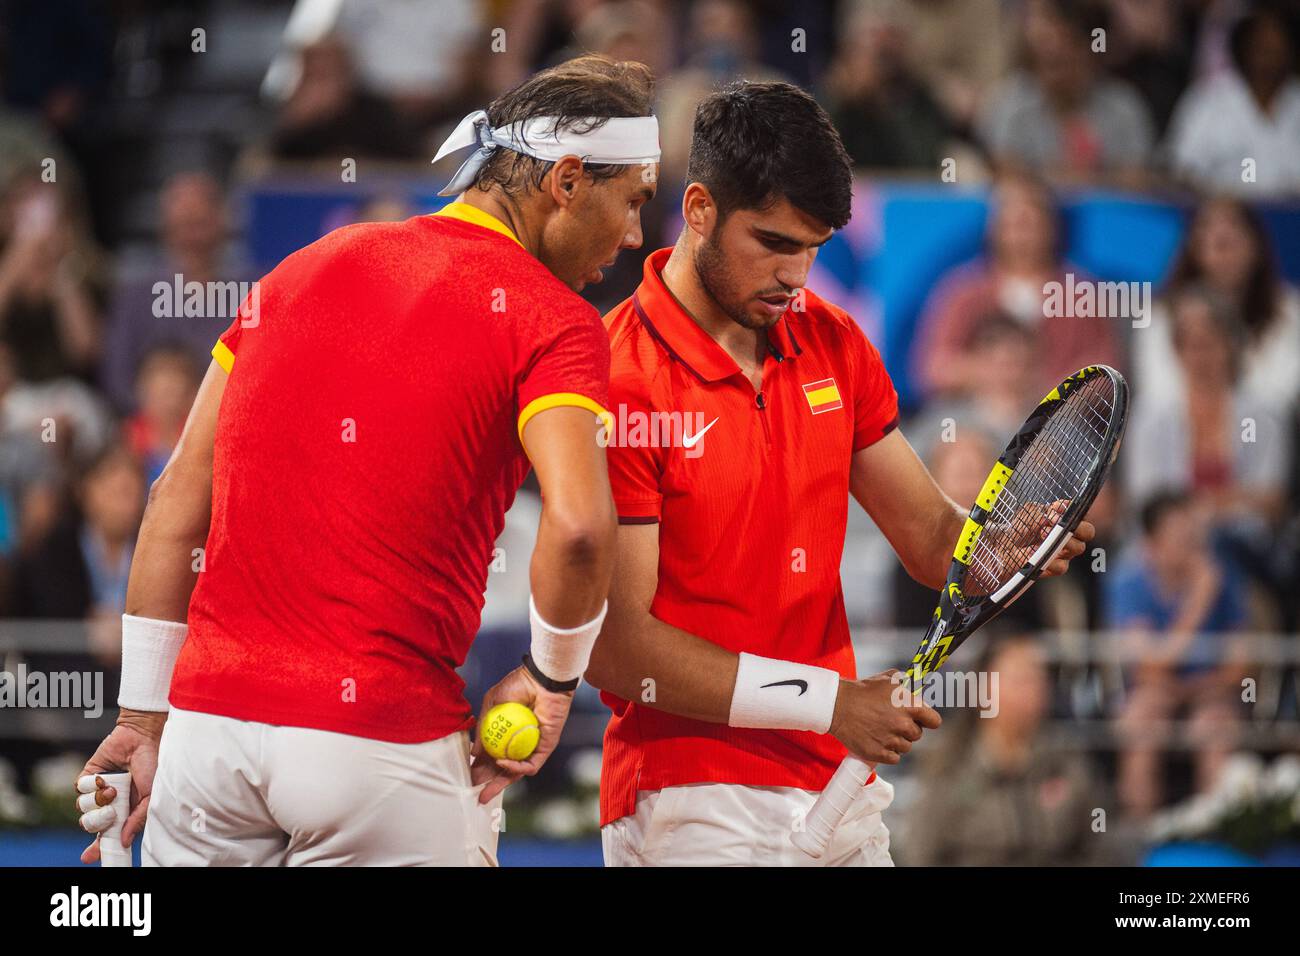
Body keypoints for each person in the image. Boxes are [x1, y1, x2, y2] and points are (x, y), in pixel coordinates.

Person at [75, 55, 660, 867]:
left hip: (207, 748)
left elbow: (175, 495)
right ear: (565, 182)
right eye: (631, 201)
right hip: (375, 749)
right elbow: (582, 530)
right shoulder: (554, 319)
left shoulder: (296, 270)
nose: (633, 235)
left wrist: (141, 719)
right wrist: (552, 681)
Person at [584, 82, 1095, 867]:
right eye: (776, 243)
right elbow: (618, 647)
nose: (797, 274)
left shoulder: (833, 341)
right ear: (697, 210)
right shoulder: (619, 377)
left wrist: (1004, 545)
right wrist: (831, 704)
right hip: (688, 792)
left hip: (839, 788)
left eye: (814, 247)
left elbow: (933, 544)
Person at [902, 633, 1113, 866]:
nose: (1032, 690)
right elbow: (920, 852)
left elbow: (1099, 830)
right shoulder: (949, 766)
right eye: (1018, 679)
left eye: (1037, 679)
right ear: (981, 690)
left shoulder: (1067, 761)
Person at [910, 173, 1122, 401]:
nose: (1021, 236)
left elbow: (1106, 375)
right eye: (1012, 225)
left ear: (1051, 227)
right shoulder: (962, 290)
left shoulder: (1081, 293)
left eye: (1029, 224)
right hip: (975, 418)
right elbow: (932, 369)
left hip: (1059, 423)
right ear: (994, 229)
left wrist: (1049, 393)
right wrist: (993, 374)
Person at [1107, 491, 1249, 817]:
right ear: (1151, 544)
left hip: (1211, 691)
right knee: (1141, 723)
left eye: (1193, 536)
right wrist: (1198, 601)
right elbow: (1148, 665)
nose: (1189, 546)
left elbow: (1240, 665)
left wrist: (1198, 686)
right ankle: (1141, 835)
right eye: (1177, 537)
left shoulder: (1224, 578)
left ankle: (1214, 835)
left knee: (1214, 729)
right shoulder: (1128, 582)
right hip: (1153, 691)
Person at [1165, 5, 1300, 198]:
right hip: (1224, 216)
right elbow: (1181, 167)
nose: (1269, 58)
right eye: (1262, 48)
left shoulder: (1296, 101)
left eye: (1276, 48)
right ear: (1243, 48)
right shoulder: (1208, 99)